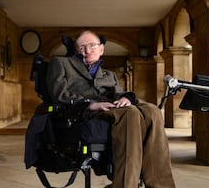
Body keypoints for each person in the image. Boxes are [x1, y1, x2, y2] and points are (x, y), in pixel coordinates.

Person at [46, 30, 176, 188]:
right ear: (76, 50)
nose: (87, 51)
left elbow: (119, 93)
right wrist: (89, 104)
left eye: (92, 46)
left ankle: (161, 185)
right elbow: (58, 94)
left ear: (101, 49)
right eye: (82, 47)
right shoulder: (61, 63)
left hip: (112, 105)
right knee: (130, 113)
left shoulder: (108, 74)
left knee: (152, 111)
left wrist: (126, 98)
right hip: (86, 110)